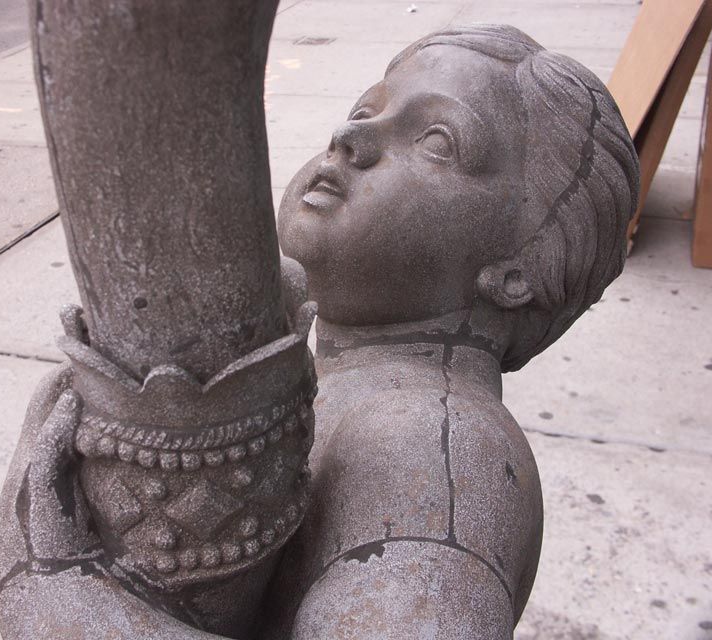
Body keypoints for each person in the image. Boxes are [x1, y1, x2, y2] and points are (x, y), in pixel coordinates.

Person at [261, 24, 639, 639]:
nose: (350, 136)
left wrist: (63, 580)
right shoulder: (368, 394)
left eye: (437, 141)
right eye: (366, 109)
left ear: (516, 270)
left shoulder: (431, 449)